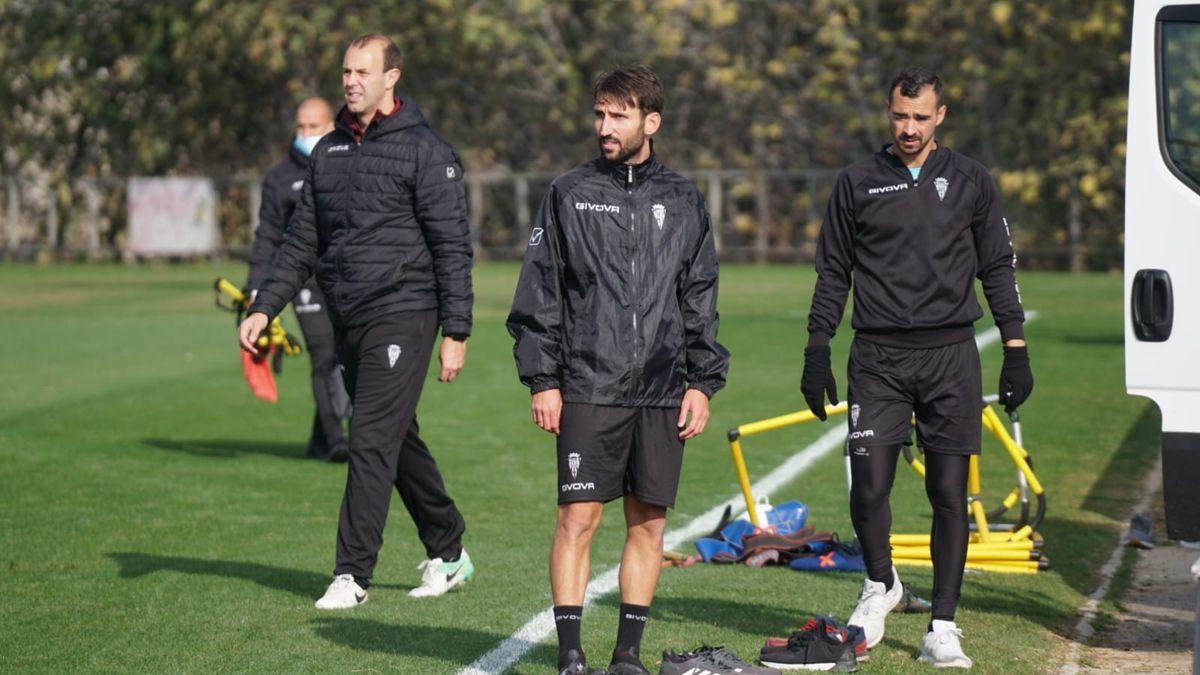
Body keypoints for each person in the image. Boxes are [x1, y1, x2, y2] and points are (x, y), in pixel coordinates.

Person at [800, 67, 1034, 669]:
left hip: (952, 356)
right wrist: (817, 348)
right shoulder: (857, 182)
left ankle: (942, 626)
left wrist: (1015, 349)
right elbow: (833, 273)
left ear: (941, 116)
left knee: (948, 492)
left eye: (921, 117)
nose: (909, 128)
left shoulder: (972, 181)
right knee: (870, 485)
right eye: (900, 117)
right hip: (877, 357)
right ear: (888, 112)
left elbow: (998, 269)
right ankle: (882, 585)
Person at [238, 33, 475, 607]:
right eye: (346, 71)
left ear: (391, 78)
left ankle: (352, 574)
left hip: (406, 310)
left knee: (368, 435)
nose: (351, 81)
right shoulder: (328, 152)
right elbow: (302, 239)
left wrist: (456, 332)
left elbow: (452, 246)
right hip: (350, 315)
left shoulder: (426, 150)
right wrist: (264, 304)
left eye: (363, 72)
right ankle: (449, 550)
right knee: (394, 436)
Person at [507, 65, 730, 675]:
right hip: (588, 382)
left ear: (650, 122)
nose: (605, 127)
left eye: (619, 116)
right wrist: (543, 378)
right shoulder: (569, 192)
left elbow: (700, 295)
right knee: (578, 518)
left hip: (662, 388)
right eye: (599, 115)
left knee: (649, 523)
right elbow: (540, 291)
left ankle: (627, 655)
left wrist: (702, 383)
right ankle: (571, 653)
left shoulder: (683, 199)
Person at [245, 96, 351, 462]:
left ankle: (319, 438)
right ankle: (337, 440)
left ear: (331, 127)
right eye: (300, 127)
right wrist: (256, 289)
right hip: (304, 280)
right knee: (323, 355)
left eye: (313, 127)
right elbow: (268, 236)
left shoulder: (349, 163)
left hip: (344, 276)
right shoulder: (279, 178)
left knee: (346, 355)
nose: (305, 134)